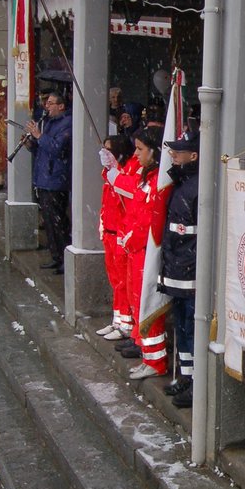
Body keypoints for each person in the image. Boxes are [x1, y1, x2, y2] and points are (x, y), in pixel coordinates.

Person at [109, 128, 169, 381]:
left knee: (147, 304)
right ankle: (147, 354)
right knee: (136, 299)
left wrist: (132, 237)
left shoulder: (156, 180)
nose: (136, 154)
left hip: (146, 251)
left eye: (140, 149)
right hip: (136, 250)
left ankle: (155, 361)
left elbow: (148, 218)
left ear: (154, 152)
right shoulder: (147, 176)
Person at [158, 133, 200, 409]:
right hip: (176, 269)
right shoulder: (181, 182)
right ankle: (186, 375)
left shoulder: (197, 187)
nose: (172, 155)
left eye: (178, 152)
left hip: (190, 272)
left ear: (193, 156)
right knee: (183, 328)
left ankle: (196, 382)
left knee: (192, 329)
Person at [26, 89, 72, 275]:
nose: (47, 106)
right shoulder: (48, 122)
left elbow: (57, 148)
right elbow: (42, 150)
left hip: (56, 179)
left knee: (58, 222)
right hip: (44, 177)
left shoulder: (67, 123)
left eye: (51, 103)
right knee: (50, 222)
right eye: (47, 103)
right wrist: (31, 143)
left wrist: (39, 135)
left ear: (61, 106)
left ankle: (63, 258)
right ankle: (55, 256)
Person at [95, 133, 135, 340]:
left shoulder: (125, 173)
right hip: (109, 234)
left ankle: (126, 323)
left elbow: (127, 194)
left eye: (109, 150)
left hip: (120, 235)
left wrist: (115, 171)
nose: (106, 154)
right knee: (114, 280)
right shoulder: (110, 175)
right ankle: (117, 320)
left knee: (123, 281)